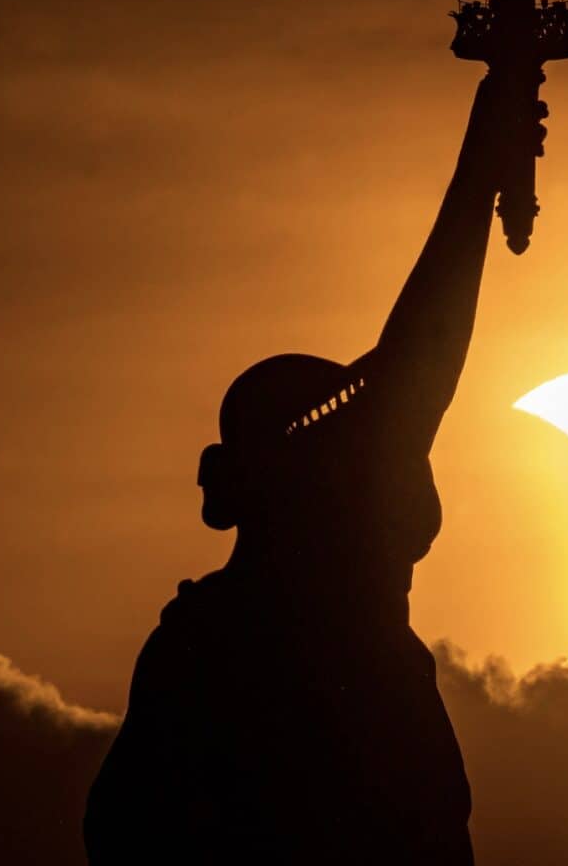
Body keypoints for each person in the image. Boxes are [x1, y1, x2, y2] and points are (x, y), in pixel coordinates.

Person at [84, 70, 531, 864]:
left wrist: (489, 142)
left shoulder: (197, 638)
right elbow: (421, 349)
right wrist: (484, 152)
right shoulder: (250, 633)